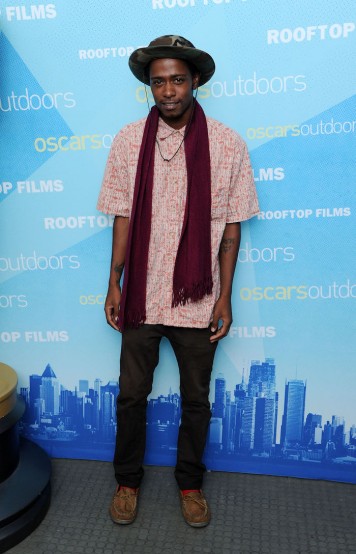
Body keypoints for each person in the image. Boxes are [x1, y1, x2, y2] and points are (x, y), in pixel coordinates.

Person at [97, 35, 259, 528]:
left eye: (178, 80)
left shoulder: (228, 144)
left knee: (196, 399)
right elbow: (122, 216)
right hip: (143, 294)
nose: (168, 91)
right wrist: (114, 283)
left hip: (197, 295)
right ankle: (127, 482)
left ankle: (190, 484)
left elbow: (231, 226)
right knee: (131, 395)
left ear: (195, 82)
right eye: (158, 81)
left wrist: (225, 296)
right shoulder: (128, 141)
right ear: (150, 86)